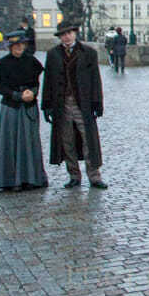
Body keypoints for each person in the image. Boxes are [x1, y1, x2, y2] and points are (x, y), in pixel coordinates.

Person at [41, 20, 107, 189]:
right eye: (63, 34)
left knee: (88, 140)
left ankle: (94, 175)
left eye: (69, 33)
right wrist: (47, 104)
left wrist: (97, 102)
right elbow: (48, 81)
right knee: (67, 141)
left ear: (75, 33)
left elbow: (95, 80)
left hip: (82, 104)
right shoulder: (53, 54)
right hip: (61, 104)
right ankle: (74, 175)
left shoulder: (88, 52)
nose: (67, 37)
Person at [0, 30, 48, 191]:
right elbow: (1, 88)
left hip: (29, 106)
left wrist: (32, 93)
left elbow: (36, 82)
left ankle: (32, 178)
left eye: (20, 45)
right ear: (10, 47)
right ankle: (9, 180)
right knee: (10, 143)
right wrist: (17, 95)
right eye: (15, 45)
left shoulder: (31, 62)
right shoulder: (2, 64)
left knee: (30, 143)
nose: (18, 48)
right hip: (11, 107)